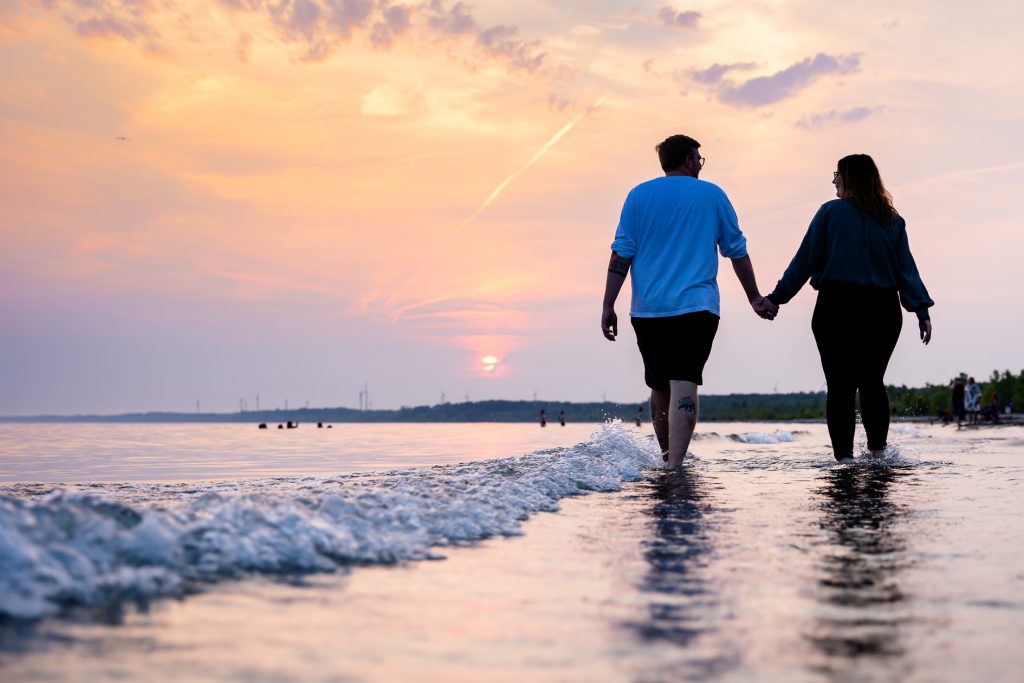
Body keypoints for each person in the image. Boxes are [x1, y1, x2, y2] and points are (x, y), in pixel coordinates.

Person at [601, 134, 774, 468]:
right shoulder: (712, 195)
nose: (700, 164)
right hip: (697, 308)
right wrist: (754, 297)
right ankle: (675, 466)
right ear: (688, 160)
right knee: (685, 381)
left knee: (659, 384)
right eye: (698, 158)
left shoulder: (638, 196)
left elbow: (621, 253)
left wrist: (608, 304)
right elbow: (736, 250)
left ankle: (667, 457)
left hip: (647, 309)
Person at [765, 154, 933, 461]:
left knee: (840, 386)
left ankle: (844, 461)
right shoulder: (892, 220)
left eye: (836, 173)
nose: (833, 180)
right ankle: (879, 458)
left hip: (836, 307)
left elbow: (805, 260)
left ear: (850, 177)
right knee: (872, 383)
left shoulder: (831, 212)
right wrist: (921, 310)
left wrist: (776, 298)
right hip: (882, 311)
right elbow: (906, 270)